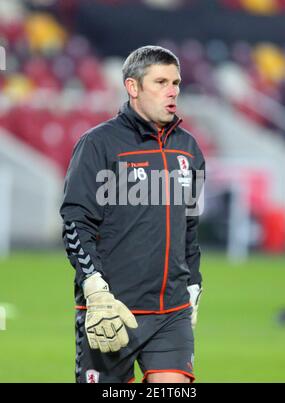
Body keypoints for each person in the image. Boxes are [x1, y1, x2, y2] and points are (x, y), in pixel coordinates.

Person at [60, 45, 205, 383]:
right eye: (161, 82)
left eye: (177, 82)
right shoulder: (98, 144)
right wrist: (95, 289)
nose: (173, 91)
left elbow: (189, 227)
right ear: (133, 87)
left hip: (172, 312)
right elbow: (75, 222)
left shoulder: (189, 149)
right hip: (111, 310)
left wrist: (194, 285)